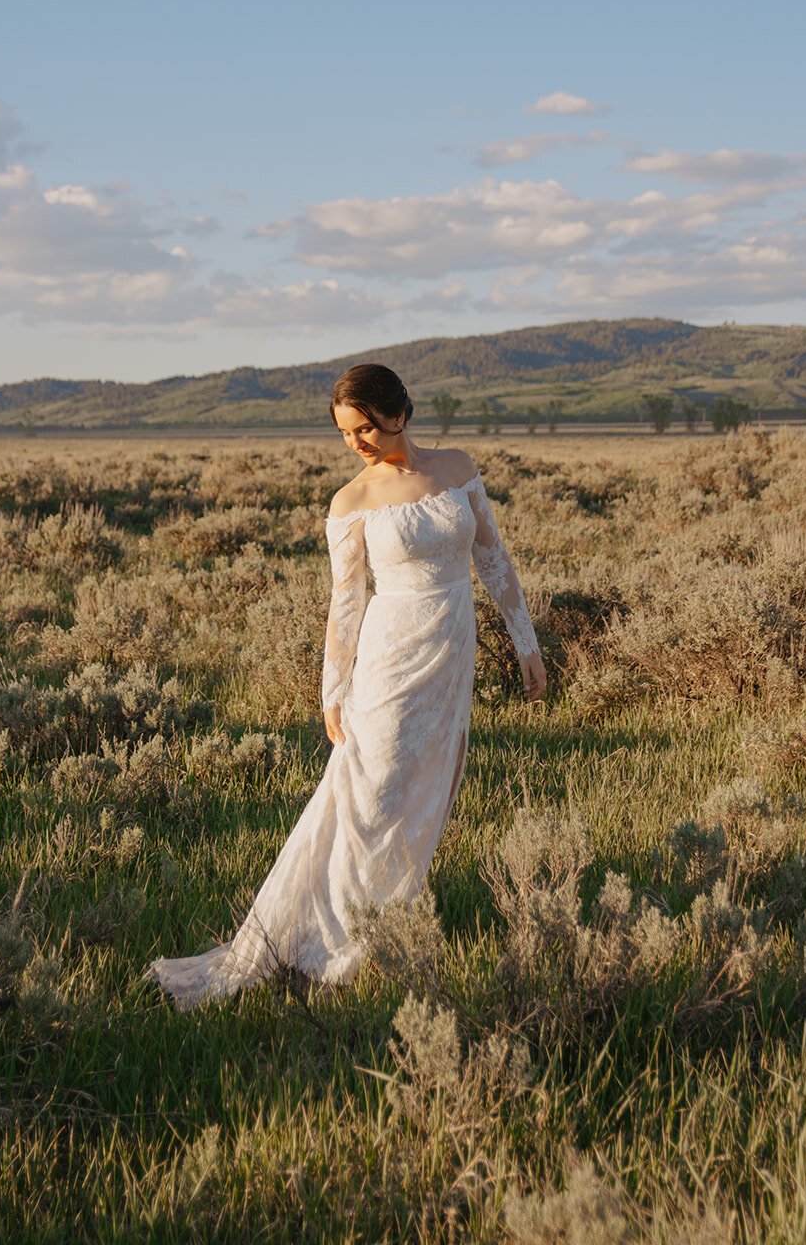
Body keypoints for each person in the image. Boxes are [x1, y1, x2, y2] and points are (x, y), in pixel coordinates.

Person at [148, 363, 545, 1009]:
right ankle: (323, 938)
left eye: (365, 427)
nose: (356, 443)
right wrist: (333, 691)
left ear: (399, 412)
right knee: (371, 790)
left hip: (451, 656)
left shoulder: (456, 467)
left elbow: (493, 558)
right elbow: (345, 604)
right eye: (344, 433)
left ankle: (385, 915)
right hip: (388, 658)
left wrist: (524, 643)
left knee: (425, 790)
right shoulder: (350, 501)